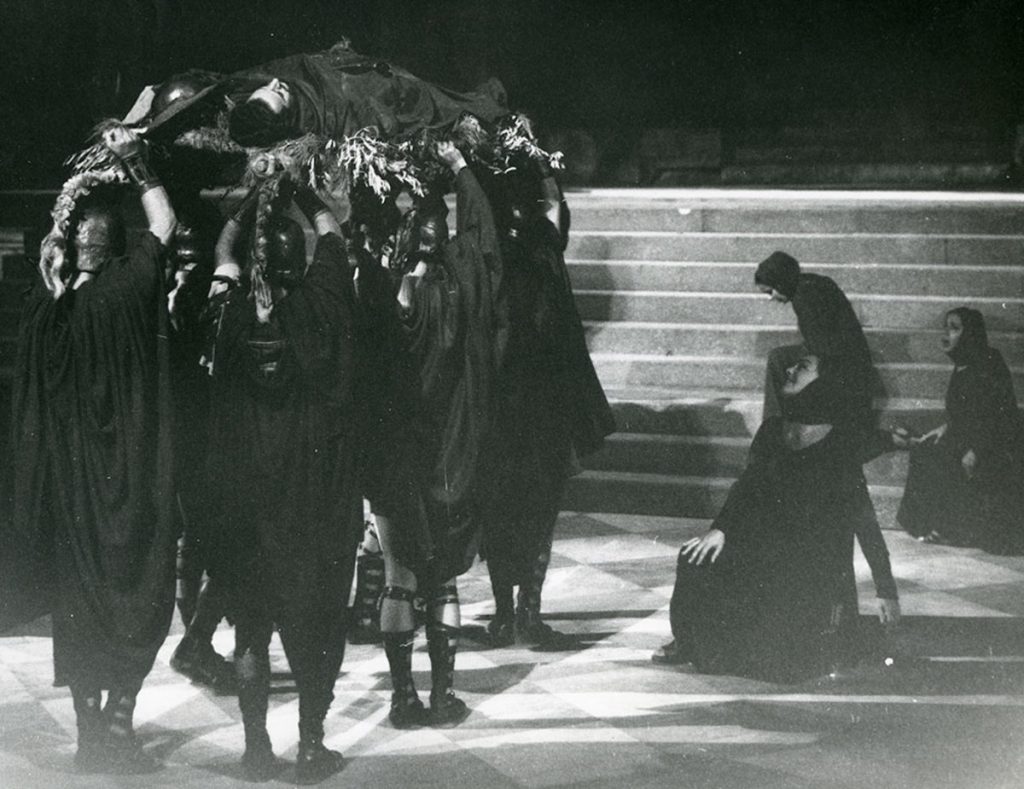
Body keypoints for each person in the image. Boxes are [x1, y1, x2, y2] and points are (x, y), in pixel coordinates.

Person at [4, 125, 178, 772]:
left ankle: (87, 738)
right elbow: (165, 225)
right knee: (142, 600)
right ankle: (120, 726)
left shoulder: (44, 310)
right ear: (113, 246)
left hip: (69, 497)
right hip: (128, 487)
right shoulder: (126, 291)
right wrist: (138, 162)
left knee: (77, 611)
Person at [204, 182, 362, 783]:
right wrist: (295, 187)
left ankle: (254, 748)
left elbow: (224, 251)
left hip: (246, 502)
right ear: (300, 262)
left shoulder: (229, 312)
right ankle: (311, 746)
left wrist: (251, 201)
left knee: (251, 628)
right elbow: (333, 236)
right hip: (313, 502)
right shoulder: (324, 304)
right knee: (317, 626)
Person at [363, 141, 502, 729]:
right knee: (443, 579)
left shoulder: (383, 295)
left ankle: (403, 698)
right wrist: (460, 170)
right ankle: (443, 695)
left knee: (399, 579)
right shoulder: (462, 286)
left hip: (398, 461)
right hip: (453, 459)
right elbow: (484, 242)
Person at [662, 354, 889, 683]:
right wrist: (720, 529)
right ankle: (688, 641)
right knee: (695, 556)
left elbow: (863, 519)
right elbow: (746, 486)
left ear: (824, 383)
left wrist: (886, 588)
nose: (790, 369)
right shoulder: (771, 430)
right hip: (764, 541)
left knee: (781, 662)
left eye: (804, 366)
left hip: (810, 557)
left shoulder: (841, 441)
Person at [473, 146, 614, 647]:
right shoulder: (538, 250)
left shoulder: (501, 257)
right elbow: (554, 209)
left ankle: (509, 614)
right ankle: (522, 613)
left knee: (507, 511)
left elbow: (552, 211)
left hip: (516, 405)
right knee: (533, 512)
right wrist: (545, 169)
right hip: (534, 406)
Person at [894, 307, 1024, 553]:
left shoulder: (989, 363)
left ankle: (950, 528)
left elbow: (998, 415)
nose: (947, 334)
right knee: (925, 448)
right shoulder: (963, 363)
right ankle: (929, 525)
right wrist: (944, 427)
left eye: (954, 328)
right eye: (946, 328)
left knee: (946, 458)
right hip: (970, 434)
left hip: (995, 442)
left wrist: (976, 451)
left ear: (970, 334)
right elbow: (963, 410)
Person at [226, 40, 508, 148]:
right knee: (455, 98)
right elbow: (373, 118)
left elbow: (272, 73)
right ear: (288, 116)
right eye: (279, 93)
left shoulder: (289, 78)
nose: (276, 82)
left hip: (369, 62)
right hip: (393, 88)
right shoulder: (324, 118)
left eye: (267, 87)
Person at [754, 250, 877, 425]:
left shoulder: (805, 297)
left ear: (781, 282)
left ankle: (772, 427)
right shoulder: (812, 284)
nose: (770, 298)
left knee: (778, 359)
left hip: (844, 370)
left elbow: (824, 349)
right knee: (780, 357)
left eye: (770, 291)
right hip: (848, 362)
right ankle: (778, 422)